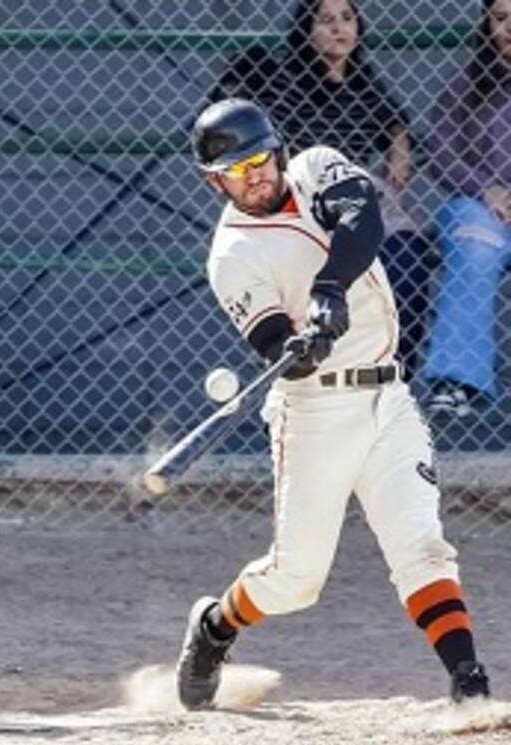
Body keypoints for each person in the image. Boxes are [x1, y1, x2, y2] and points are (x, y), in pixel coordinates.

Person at [177, 98, 490, 711]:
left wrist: (327, 289)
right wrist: (302, 347)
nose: (255, 177)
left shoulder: (316, 166)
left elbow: (363, 220)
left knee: (421, 546)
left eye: (260, 160)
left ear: (279, 151)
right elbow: (275, 343)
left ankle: (468, 681)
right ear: (215, 182)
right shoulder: (233, 256)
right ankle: (215, 626)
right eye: (237, 171)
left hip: (389, 397)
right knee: (297, 579)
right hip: (315, 412)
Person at [212, 0, 434, 378]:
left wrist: (399, 141)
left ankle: (398, 371)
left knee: (407, 259)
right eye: (326, 20)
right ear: (307, 31)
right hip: (303, 197)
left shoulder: (363, 84)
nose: (338, 28)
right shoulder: (285, 80)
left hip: (357, 196)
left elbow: (394, 118)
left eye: (347, 19)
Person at [420, 0, 511, 418]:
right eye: (500, 18)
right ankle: (457, 384)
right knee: (475, 249)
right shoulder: (467, 87)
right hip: (480, 208)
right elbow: (441, 151)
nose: (509, 28)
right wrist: (485, 189)